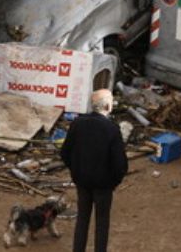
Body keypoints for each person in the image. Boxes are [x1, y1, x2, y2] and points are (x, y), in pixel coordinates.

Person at [60, 88, 127, 252]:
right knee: (102, 223)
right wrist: (114, 182)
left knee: (82, 219)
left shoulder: (77, 123)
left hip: (82, 181)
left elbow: (65, 152)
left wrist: (76, 170)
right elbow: (120, 164)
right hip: (103, 185)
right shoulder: (111, 129)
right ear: (107, 106)